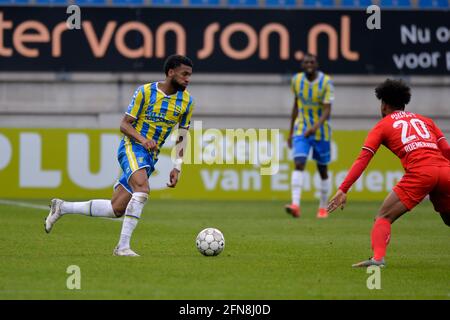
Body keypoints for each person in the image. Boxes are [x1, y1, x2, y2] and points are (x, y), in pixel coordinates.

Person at [44, 54, 195, 257]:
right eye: (184, 74)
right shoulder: (145, 92)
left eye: (190, 75)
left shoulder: (187, 102)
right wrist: (142, 140)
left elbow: (182, 135)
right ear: (170, 72)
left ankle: (62, 207)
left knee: (116, 209)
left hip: (150, 156)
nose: (188, 79)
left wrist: (177, 166)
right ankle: (122, 247)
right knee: (142, 189)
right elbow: (124, 124)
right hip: (132, 147)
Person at [328, 79, 450, 267]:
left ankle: (377, 259)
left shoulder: (382, 125)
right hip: (445, 170)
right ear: (403, 103)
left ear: (384, 105)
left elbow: (363, 159)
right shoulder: (426, 121)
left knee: (383, 217)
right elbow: (447, 151)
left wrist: (343, 189)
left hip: (421, 173)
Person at [285, 53, 334, 219]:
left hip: (321, 132)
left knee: (322, 169)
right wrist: (291, 132)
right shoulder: (296, 80)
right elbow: (295, 105)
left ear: (316, 64)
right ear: (302, 65)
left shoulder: (326, 82)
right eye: (306, 62)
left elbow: (327, 110)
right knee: (299, 163)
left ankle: (322, 207)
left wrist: (314, 127)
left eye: (312, 61)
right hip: (301, 130)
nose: (309, 64)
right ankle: (295, 205)